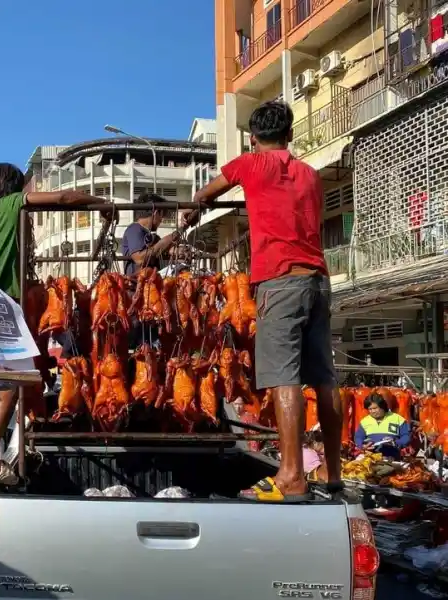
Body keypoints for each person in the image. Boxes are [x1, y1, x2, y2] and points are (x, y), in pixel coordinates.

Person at [182, 100, 343, 502]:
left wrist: (192, 208)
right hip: (318, 282)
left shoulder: (250, 164)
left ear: (254, 138)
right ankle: (333, 473)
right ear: (289, 135)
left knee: (283, 378)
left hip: (280, 281)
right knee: (324, 378)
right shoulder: (309, 173)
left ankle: (291, 476)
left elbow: (206, 193)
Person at [0, 162, 110, 484]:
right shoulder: (12, 204)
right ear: (16, 187)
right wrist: (101, 204)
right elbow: (63, 198)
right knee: (15, 383)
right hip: (3, 302)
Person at [354, 393, 411, 459]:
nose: (373, 411)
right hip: (370, 457)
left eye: (375, 408)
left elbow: (406, 436)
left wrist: (395, 442)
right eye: (370, 409)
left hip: (391, 456)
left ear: (382, 407)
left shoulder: (397, 419)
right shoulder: (365, 421)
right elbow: (358, 437)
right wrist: (362, 445)